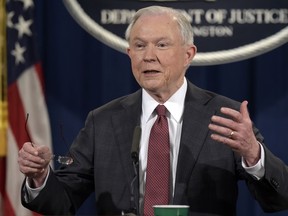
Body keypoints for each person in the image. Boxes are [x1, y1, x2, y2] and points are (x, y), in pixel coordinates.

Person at [18, 5, 288, 216]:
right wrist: (40, 177)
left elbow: (279, 198)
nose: (148, 56)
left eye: (161, 45)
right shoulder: (103, 121)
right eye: (139, 45)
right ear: (129, 54)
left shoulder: (224, 116)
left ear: (188, 54)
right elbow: (61, 203)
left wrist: (254, 155)